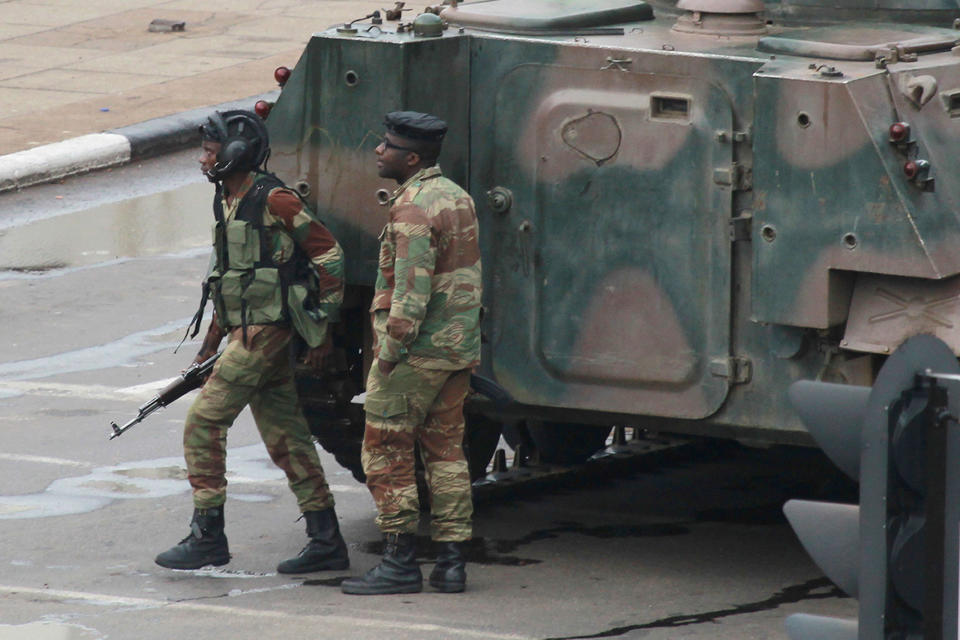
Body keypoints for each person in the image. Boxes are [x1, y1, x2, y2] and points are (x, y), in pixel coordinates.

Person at [155, 109, 350, 574]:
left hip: (269, 333)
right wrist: (209, 344)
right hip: (245, 331)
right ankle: (327, 541)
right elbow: (228, 277)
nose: (203, 160)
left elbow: (330, 255)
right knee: (288, 437)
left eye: (209, 152)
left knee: (204, 422)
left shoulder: (274, 199)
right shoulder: (227, 197)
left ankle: (208, 536)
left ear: (236, 154)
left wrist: (320, 327)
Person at [341, 111, 482, 595]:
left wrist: (389, 352)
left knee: (386, 450)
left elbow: (411, 291)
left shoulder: (413, 209)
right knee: (446, 454)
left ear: (412, 158)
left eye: (388, 146)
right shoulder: (457, 197)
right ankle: (451, 562)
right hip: (455, 351)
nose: (379, 151)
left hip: (414, 354)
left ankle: (400, 561)